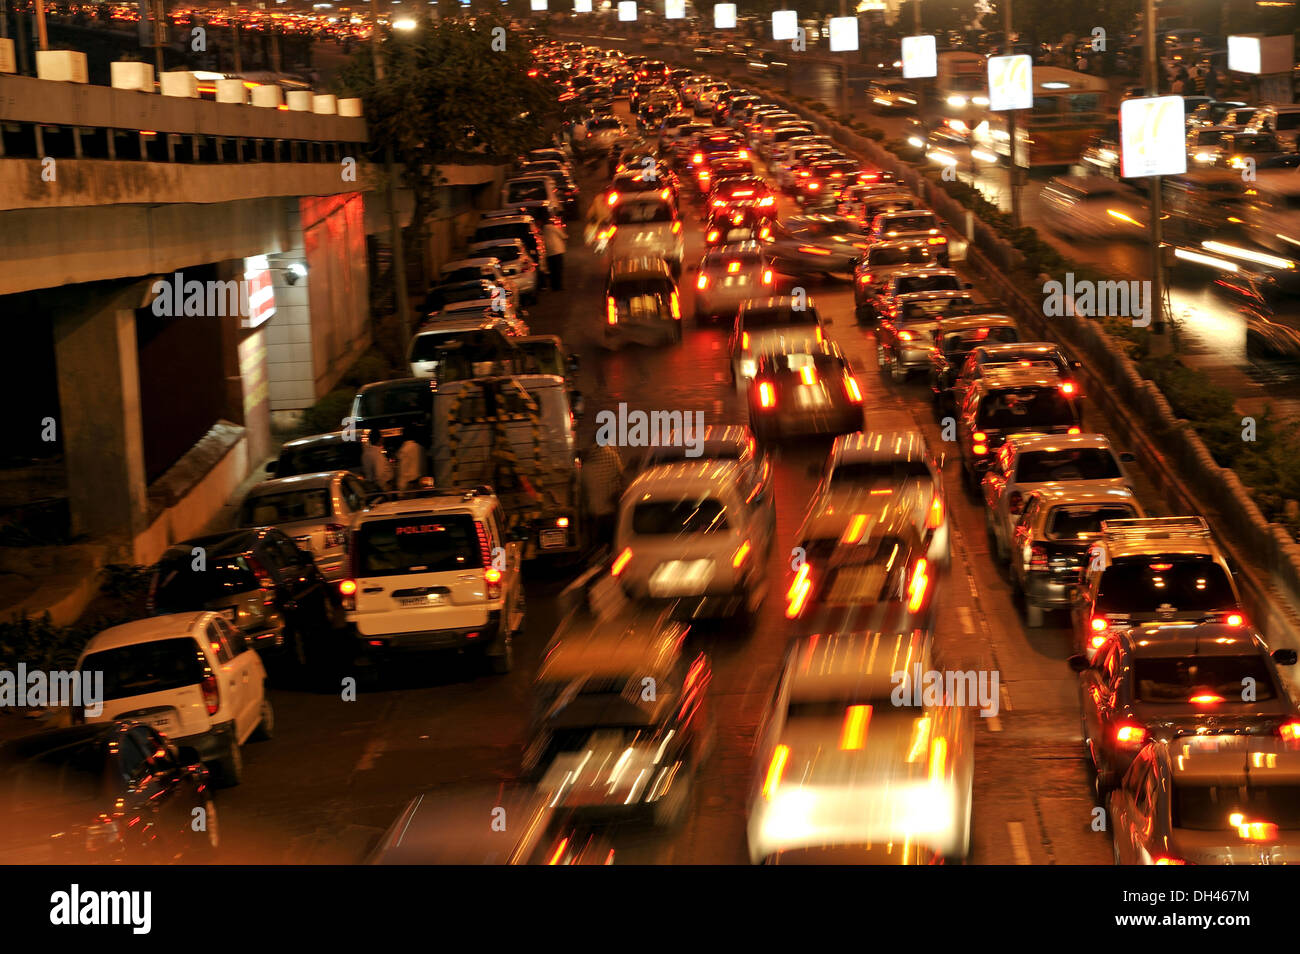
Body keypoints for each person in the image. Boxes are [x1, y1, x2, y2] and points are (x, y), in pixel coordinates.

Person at [581, 442, 625, 551]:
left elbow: (583, 487)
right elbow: (621, 475)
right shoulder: (612, 456)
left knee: (598, 546)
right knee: (613, 544)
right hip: (610, 511)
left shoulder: (587, 463)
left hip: (594, 512)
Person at [396, 425, 427, 491]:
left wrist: (400, 489)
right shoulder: (420, 448)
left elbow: (402, 471)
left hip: (409, 487)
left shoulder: (404, 450)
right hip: (420, 483)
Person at [543, 214, 567, 291]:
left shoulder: (543, 230)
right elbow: (563, 236)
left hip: (549, 252)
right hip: (557, 251)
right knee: (558, 269)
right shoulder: (553, 228)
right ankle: (558, 286)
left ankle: (553, 286)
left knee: (552, 270)